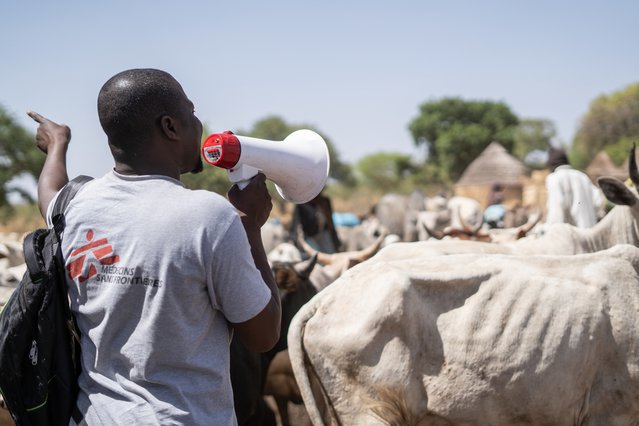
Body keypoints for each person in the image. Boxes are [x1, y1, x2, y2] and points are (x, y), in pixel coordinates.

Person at [28, 68, 281, 426]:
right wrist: (250, 227)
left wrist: (57, 144)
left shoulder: (76, 206)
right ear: (170, 127)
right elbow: (264, 335)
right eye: (191, 114)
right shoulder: (210, 217)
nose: (199, 125)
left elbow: (49, 194)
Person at [544, 147, 603, 228]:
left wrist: (550, 232)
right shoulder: (582, 176)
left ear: (551, 164)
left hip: (571, 237)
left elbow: (556, 212)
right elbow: (598, 201)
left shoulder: (554, 178)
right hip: (591, 234)